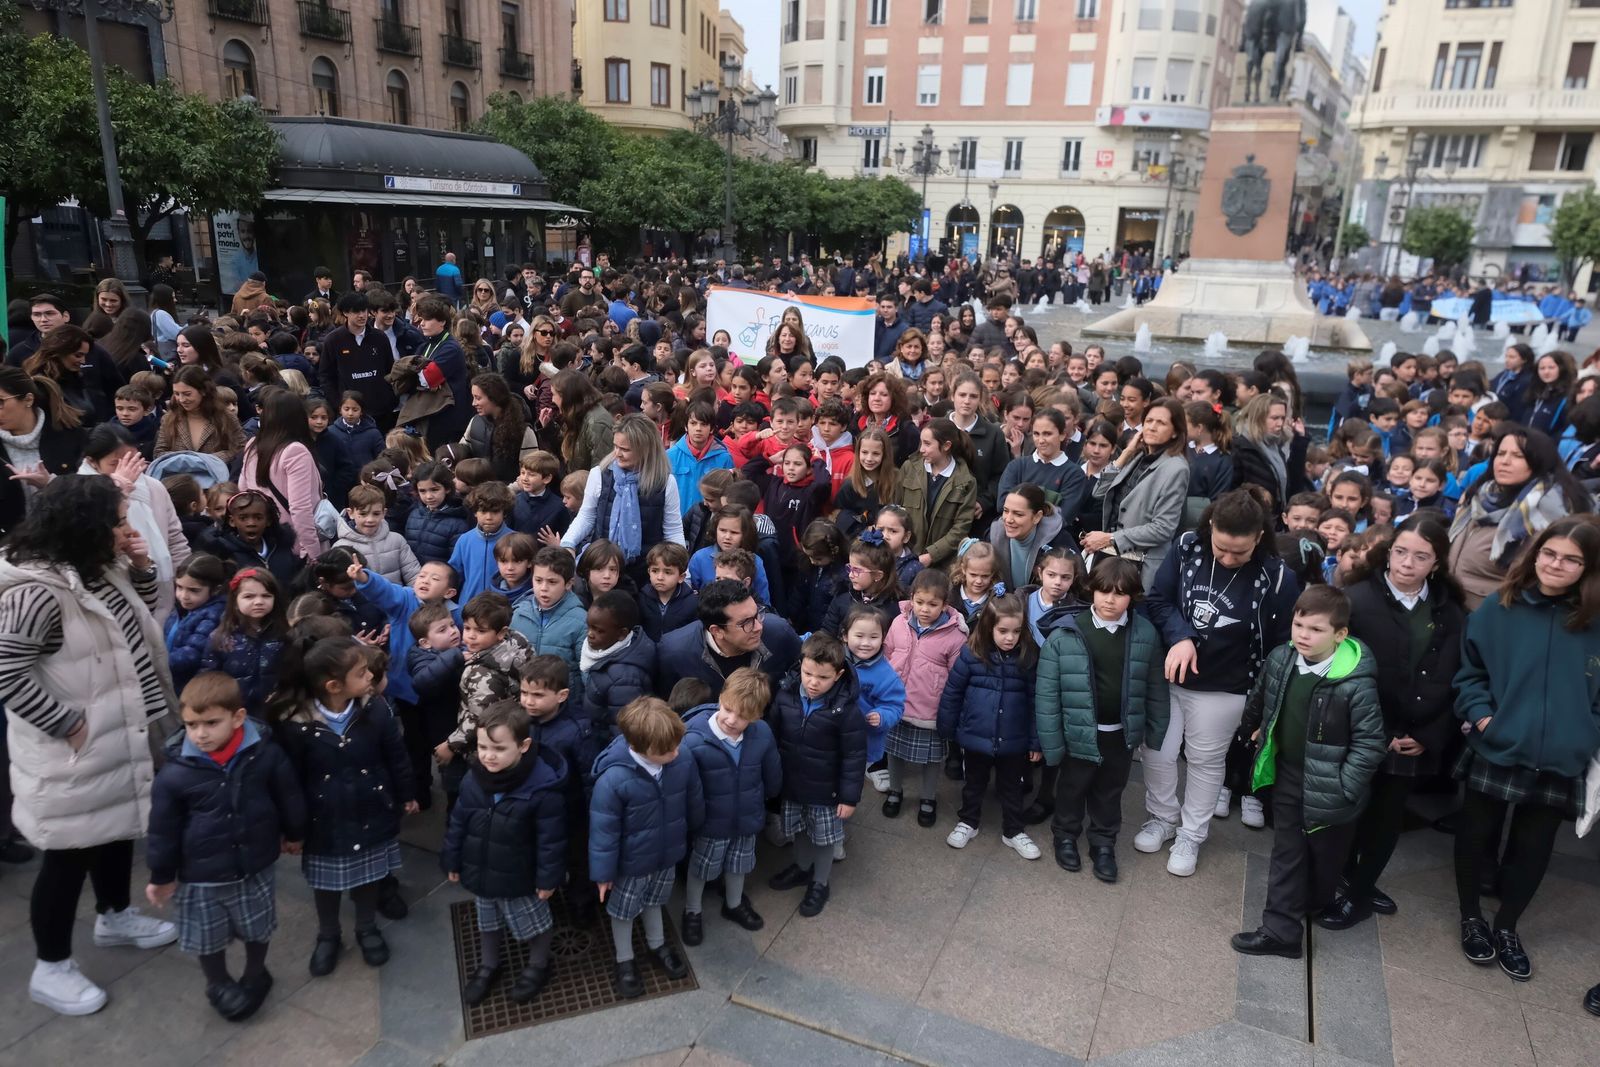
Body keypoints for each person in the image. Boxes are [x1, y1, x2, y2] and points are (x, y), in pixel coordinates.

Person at [0, 474, 179, 1017]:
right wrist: (66, 723)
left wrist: (144, 567)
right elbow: (6, 669)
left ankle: (115, 914)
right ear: (85, 528)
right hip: (75, 751)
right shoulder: (38, 591)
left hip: (123, 734)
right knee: (66, 859)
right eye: (118, 522)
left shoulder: (98, 569)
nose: (126, 531)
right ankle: (50, 967)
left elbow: (140, 615)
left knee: (116, 830)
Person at [1452, 516, 1600, 982]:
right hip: (1497, 743)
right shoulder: (1501, 606)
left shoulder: (1596, 622)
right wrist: (1484, 717)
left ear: (1589, 567)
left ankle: (1507, 926)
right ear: (1535, 554)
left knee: (1533, 848)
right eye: (1549, 553)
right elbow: (1470, 673)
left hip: (1562, 755)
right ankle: (1471, 917)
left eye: (1571, 559)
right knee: (1477, 835)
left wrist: (1584, 733)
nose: (1556, 564)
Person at [1141, 489, 1299, 877]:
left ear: (1259, 537)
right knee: (1157, 751)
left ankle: (1191, 835)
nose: (1228, 559)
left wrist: (1266, 701)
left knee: (1205, 761)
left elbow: (1281, 644)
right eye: (1221, 548)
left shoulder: (1278, 577)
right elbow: (1158, 600)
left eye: (1239, 552)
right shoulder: (1186, 547)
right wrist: (1180, 636)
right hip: (1170, 673)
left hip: (1227, 685)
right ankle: (1162, 817)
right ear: (1210, 527)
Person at [1322, 515, 1465, 929]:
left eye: (1421, 556)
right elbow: (1337, 670)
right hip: (1360, 729)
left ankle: (1361, 891)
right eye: (1401, 552)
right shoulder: (1357, 599)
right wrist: (1374, 731)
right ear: (1388, 552)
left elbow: (1452, 678)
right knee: (1347, 811)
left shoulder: (1449, 611)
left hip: (1413, 737)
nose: (1407, 563)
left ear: (1436, 563)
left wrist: (1427, 735)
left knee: (1387, 819)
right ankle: (1341, 876)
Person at [1231, 585, 1385, 959]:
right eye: (1299, 624)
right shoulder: (1283, 658)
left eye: (1316, 629)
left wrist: (1345, 787)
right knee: (1288, 851)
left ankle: (1315, 901)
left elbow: (1370, 743)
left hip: (1332, 786)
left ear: (1339, 634)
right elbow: (1262, 695)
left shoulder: (1355, 683)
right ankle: (1280, 930)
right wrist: (1254, 727)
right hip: (1288, 773)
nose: (1303, 635)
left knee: (1325, 855)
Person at [144, 672, 306, 1021]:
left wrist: (295, 832)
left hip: (254, 864)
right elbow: (162, 829)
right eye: (191, 725)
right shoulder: (175, 774)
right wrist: (161, 874)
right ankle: (217, 982)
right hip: (200, 873)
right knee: (207, 935)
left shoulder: (265, 755)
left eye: (211, 723)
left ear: (238, 717)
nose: (200, 734)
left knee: (258, 925)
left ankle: (254, 973)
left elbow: (288, 794)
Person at [1036, 558, 1169, 884]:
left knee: (1110, 790)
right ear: (1091, 590)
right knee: (1072, 787)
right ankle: (1065, 835)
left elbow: (1155, 686)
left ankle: (1103, 842)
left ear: (1133, 597)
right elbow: (1047, 696)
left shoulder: (1144, 634)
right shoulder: (1066, 633)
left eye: (1120, 594)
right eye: (1104, 592)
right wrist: (1052, 742)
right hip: (1079, 733)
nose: (1110, 600)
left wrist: (1155, 731)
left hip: (1119, 734)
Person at [441, 699, 569, 1006]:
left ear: (524, 746)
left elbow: (551, 840)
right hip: (482, 867)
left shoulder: (542, 789)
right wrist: (452, 858)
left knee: (534, 924)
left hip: (521, 876)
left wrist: (548, 878)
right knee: (487, 920)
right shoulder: (475, 778)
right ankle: (489, 964)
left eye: (499, 749)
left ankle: (539, 964)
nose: (488, 756)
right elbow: (459, 821)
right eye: (483, 747)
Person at [588, 696, 702, 998]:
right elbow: (603, 830)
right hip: (631, 862)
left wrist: (695, 826)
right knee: (624, 912)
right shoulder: (613, 780)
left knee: (656, 901)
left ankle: (657, 943)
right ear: (639, 747)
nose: (675, 753)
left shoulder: (681, 758)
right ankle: (624, 960)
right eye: (666, 751)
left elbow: (692, 796)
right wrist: (603, 873)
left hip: (666, 852)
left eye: (677, 745)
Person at [765, 633, 867, 919]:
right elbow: (772, 735)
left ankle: (820, 883)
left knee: (823, 839)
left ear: (838, 675)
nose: (812, 682)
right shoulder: (785, 695)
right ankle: (801, 866)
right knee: (799, 829)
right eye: (808, 673)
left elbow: (854, 757)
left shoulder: (845, 710)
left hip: (826, 790)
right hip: (793, 784)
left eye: (822, 677)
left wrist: (849, 797)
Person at [677, 667, 781, 943]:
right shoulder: (693, 738)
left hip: (747, 816)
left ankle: (734, 904)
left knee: (739, 864)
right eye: (727, 709)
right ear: (721, 698)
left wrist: (770, 795)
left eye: (743, 716)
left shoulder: (762, 734)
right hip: (711, 822)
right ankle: (692, 911)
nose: (732, 720)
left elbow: (771, 769)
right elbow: (685, 785)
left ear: (757, 716)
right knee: (701, 868)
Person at [937, 592, 1039, 858]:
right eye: (1003, 631)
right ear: (988, 627)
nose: (1010, 637)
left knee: (1012, 787)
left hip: (1013, 740)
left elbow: (1036, 701)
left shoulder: (1027, 658)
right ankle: (968, 821)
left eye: (1016, 631)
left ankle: (1014, 830)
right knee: (974, 783)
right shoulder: (972, 654)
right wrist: (947, 729)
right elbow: (952, 693)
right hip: (975, 736)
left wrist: (1035, 741)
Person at [1448, 425, 1588, 609]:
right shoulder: (1482, 495)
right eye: (1500, 453)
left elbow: (1532, 579)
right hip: (1454, 609)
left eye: (1518, 456)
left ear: (1539, 461)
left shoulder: (1547, 512)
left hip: (1499, 615)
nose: (1504, 461)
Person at [882, 569, 970, 830]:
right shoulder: (898, 623)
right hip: (897, 703)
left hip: (930, 710)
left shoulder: (955, 636)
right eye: (920, 602)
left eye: (933, 604)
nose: (924, 609)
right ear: (911, 598)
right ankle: (895, 790)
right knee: (894, 752)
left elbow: (957, 676)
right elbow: (886, 654)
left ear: (945, 605)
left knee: (932, 759)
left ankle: (928, 798)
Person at [1084, 398, 1191, 588]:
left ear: (1175, 432)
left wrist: (1109, 538)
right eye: (1149, 421)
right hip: (1111, 558)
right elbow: (1098, 492)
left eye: (1161, 423)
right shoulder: (1138, 456)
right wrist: (1126, 453)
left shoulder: (1176, 468)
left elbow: (1164, 528)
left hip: (1139, 565)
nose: (1152, 427)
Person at [562, 413, 684, 574]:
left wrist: (683, 568)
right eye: (616, 446)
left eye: (625, 449)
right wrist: (568, 543)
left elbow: (673, 529)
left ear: (645, 449)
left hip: (646, 570)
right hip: (602, 564)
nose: (617, 453)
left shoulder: (666, 482)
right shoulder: (600, 474)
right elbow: (587, 516)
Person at [238, 389, 326, 562]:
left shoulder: (252, 445)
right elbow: (300, 508)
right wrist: (314, 554)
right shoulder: (295, 451)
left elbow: (243, 490)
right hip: (294, 542)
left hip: (265, 538)